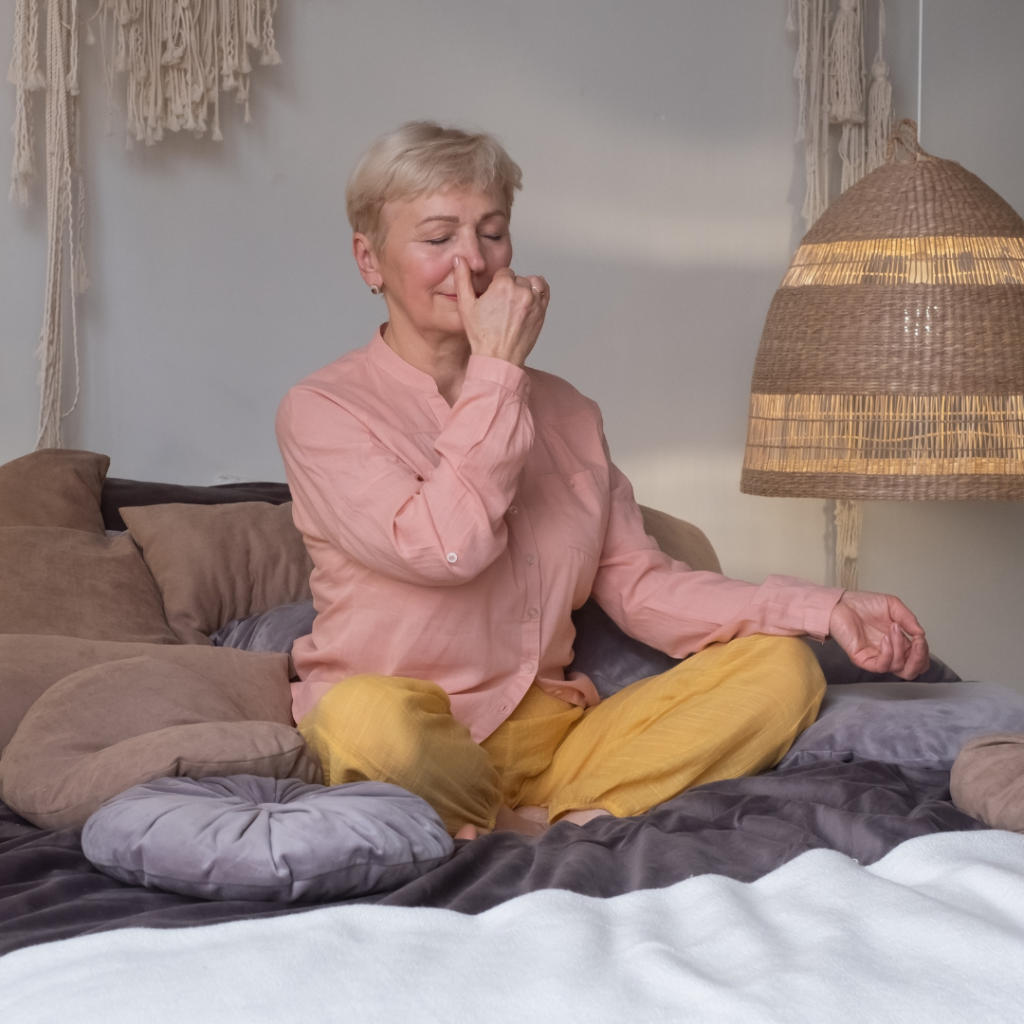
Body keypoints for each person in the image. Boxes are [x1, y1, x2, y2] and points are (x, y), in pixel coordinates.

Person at [276, 121, 929, 840]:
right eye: (438, 239)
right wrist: (498, 374)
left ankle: (517, 828)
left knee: (783, 671)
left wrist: (825, 608)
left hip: (557, 741)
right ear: (370, 261)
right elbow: (448, 549)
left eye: (492, 233)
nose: (473, 264)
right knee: (357, 718)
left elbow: (645, 590)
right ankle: (541, 830)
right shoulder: (324, 411)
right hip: (415, 737)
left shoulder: (569, 412)